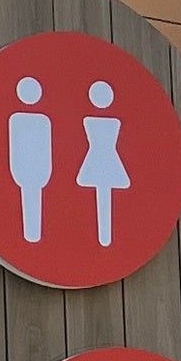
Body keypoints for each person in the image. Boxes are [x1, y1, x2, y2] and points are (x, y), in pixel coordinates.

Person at [77, 77, 130, 247]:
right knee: (102, 197)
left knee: (105, 198)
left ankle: (105, 237)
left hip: (105, 161)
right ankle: (104, 237)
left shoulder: (102, 121)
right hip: (100, 160)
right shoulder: (92, 121)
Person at [7, 75, 54, 243]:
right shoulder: (21, 120)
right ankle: (31, 235)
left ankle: (33, 235)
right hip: (28, 171)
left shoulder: (37, 121)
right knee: (30, 196)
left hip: (34, 171)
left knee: (33, 197)